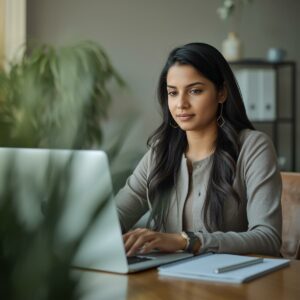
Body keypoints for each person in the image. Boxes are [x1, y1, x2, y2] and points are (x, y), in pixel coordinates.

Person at [115, 42, 282, 257]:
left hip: (235, 283)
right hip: (169, 280)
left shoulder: (253, 147)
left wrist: (185, 241)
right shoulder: (160, 151)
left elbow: (268, 238)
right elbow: (118, 215)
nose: (181, 104)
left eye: (195, 91)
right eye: (173, 93)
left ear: (221, 92)